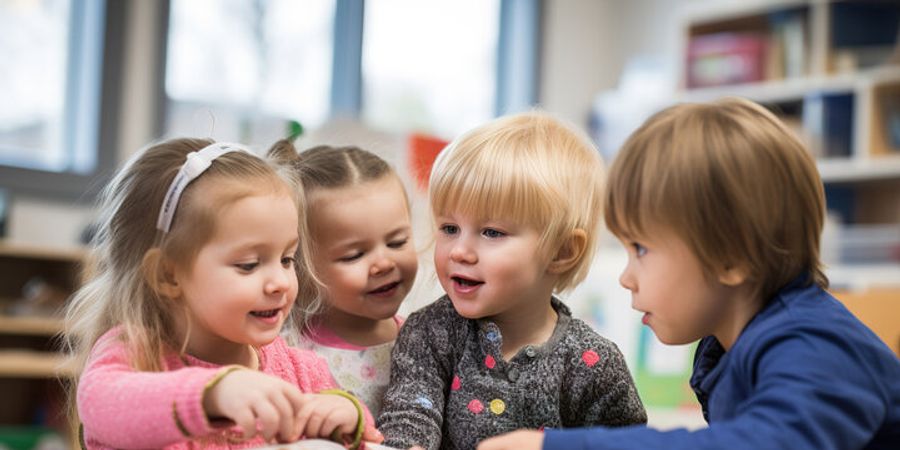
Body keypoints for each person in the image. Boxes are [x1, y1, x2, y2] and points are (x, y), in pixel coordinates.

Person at [478, 98, 900, 450]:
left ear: (732, 257)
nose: (627, 277)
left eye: (641, 249)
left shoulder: (813, 343)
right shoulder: (728, 344)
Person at [64, 138, 380, 449]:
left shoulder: (300, 370)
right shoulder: (136, 355)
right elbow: (99, 405)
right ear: (168, 275)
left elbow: (360, 433)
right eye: (249, 264)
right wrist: (213, 394)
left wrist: (348, 418)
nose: (280, 282)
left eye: (287, 259)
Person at [377, 111, 648, 450]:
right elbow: (410, 415)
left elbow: (628, 444)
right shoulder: (430, 332)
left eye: (491, 232)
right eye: (449, 228)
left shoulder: (595, 363)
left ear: (562, 251)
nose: (459, 250)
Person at [269, 141, 418, 417]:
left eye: (397, 242)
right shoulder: (287, 353)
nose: (383, 264)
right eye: (353, 256)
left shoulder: (427, 342)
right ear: (300, 263)